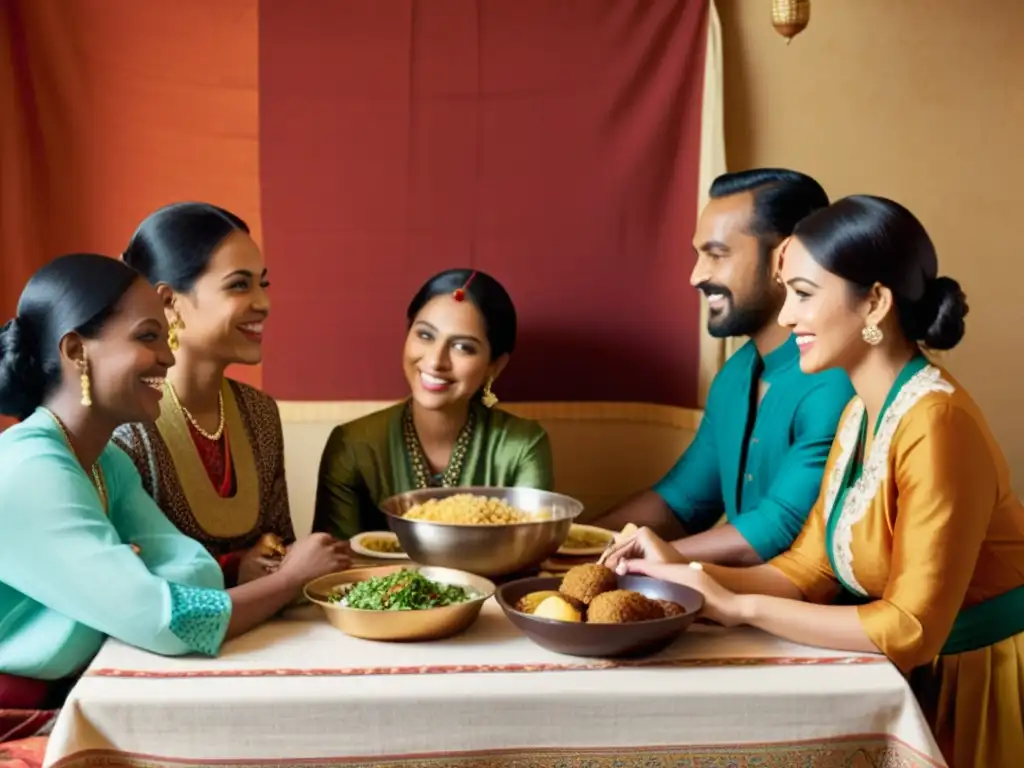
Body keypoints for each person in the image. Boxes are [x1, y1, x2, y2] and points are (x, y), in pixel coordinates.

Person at [604, 196, 1024, 767]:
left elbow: (910, 628)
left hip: (977, 678)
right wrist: (682, 570)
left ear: (874, 302)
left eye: (803, 294)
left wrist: (738, 608)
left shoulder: (935, 422)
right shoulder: (860, 412)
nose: (785, 317)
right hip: (907, 671)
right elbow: (809, 569)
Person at [0, 254, 349, 762]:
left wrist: (129, 577)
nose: (168, 356)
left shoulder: (105, 461)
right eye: (147, 337)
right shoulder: (31, 468)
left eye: (165, 337)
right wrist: (290, 579)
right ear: (77, 350)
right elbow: (167, 623)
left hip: (68, 699)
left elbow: (198, 573)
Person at [593, 169, 853, 565]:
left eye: (716, 254)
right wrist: (571, 541)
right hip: (741, 609)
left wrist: (636, 556)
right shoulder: (735, 375)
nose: (697, 276)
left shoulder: (837, 379)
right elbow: (679, 504)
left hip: (824, 618)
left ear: (785, 259)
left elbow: (778, 530)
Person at [114, 203, 295, 586]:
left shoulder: (260, 413)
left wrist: (275, 557)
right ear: (168, 303)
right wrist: (233, 569)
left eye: (263, 283)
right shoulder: (123, 426)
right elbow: (125, 582)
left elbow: (281, 542)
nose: (264, 303)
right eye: (239, 284)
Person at [313, 268, 553, 538]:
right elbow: (334, 567)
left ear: (494, 366)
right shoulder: (353, 446)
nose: (436, 361)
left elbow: (528, 551)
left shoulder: (521, 447)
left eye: (463, 347)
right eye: (425, 335)